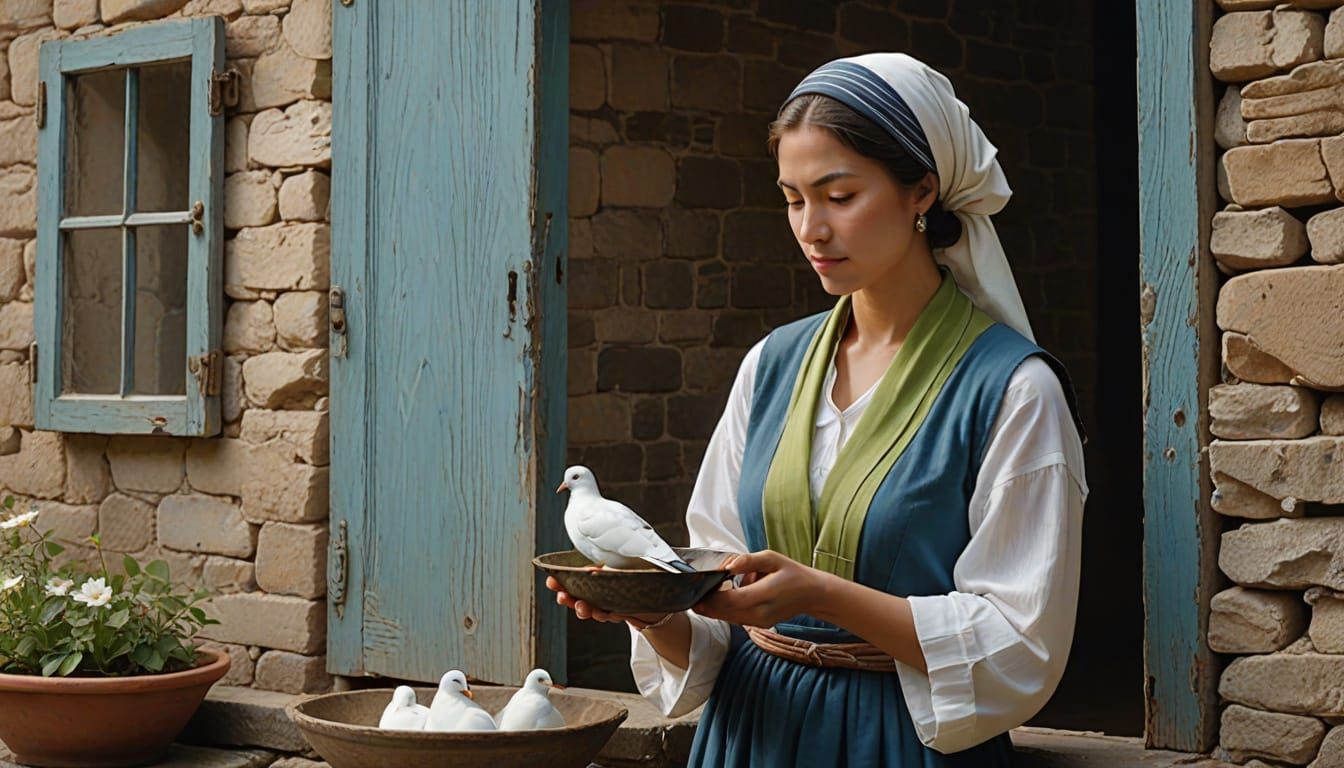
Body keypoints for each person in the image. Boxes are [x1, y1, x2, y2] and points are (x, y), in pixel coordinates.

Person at [547, 52, 1087, 766]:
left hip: (903, 744)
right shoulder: (772, 366)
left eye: (838, 196)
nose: (811, 229)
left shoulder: (1013, 391)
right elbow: (711, 611)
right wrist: (653, 613)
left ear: (921, 191)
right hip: (750, 732)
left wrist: (827, 597)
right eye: (794, 199)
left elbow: (1019, 641)